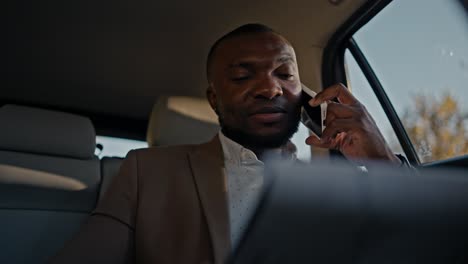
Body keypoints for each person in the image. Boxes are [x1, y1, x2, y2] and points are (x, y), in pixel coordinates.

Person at [50, 23, 404, 264]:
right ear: (214, 99)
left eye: (284, 74)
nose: (270, 89)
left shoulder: (337, 189)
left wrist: (380, 158)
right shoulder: (146, 172)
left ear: (306, 96)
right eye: (241, 76)